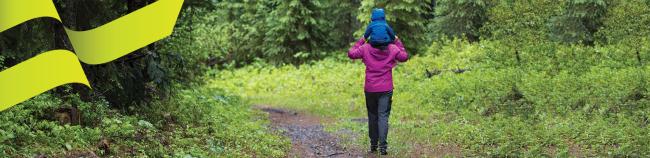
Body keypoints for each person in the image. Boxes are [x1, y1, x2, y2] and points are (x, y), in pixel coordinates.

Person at [348, 34, 408, 155]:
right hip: (386, 88)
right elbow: (404, 57)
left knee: (372, 116)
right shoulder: (392, 48)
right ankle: (383, 147)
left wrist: (363, 39)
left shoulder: (365, 48)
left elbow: (351, 53)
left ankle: (373, 145)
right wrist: (397, 40)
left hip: (370, 88)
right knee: (383, 116)